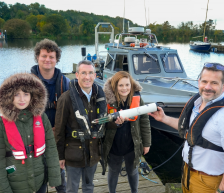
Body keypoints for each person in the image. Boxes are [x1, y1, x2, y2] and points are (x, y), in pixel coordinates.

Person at [149, 63, 224, 193]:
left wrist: (222, 191)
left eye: (214, 83)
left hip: (208, 181)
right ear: (198, 82)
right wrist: (164, 118)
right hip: (186, 173)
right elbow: (189, 131)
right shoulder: (197, 104)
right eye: (204, 81)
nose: (207, 87)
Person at [0, 73, 61, 193]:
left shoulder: (42, 118)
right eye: (17, 94)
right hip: (15, 185)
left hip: (40, 182)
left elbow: (51, 149)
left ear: (33, 96)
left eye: (26, 94)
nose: (22, 99)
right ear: (9, 96)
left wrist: (54, 177)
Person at [54, 60, 107, 193]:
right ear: (77, 75)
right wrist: (60, 156)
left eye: (90, 73)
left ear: (95, 76)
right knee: (72, 188)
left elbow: (105, 123)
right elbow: (59, 130)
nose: (87, 77)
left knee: (89, 187)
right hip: (73, 155)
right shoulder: (65, 99)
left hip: (93, 153)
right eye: (83, 73)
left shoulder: (100, 97)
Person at [103, 71, 151, 193]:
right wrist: (115, 123)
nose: (124, 88)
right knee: (113, 171)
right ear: (115, 86)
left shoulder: (138, 100)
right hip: (114, 146)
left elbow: (144, 122)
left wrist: (146, 144)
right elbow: (103, 124)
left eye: (127, 85)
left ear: (131, 85)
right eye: (121, 85)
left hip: (132, 145)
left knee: (133, 170)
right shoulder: (106, 102)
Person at [31, 38, 69, 193]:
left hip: (57, 136)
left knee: (58, 174)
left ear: (56, 59)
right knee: (38, 176)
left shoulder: (65, 82)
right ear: (37, 57)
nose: (48, 59)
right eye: (44, 56)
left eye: (51, 56)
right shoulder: (27, 81)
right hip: (34, 136)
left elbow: (71, 111)